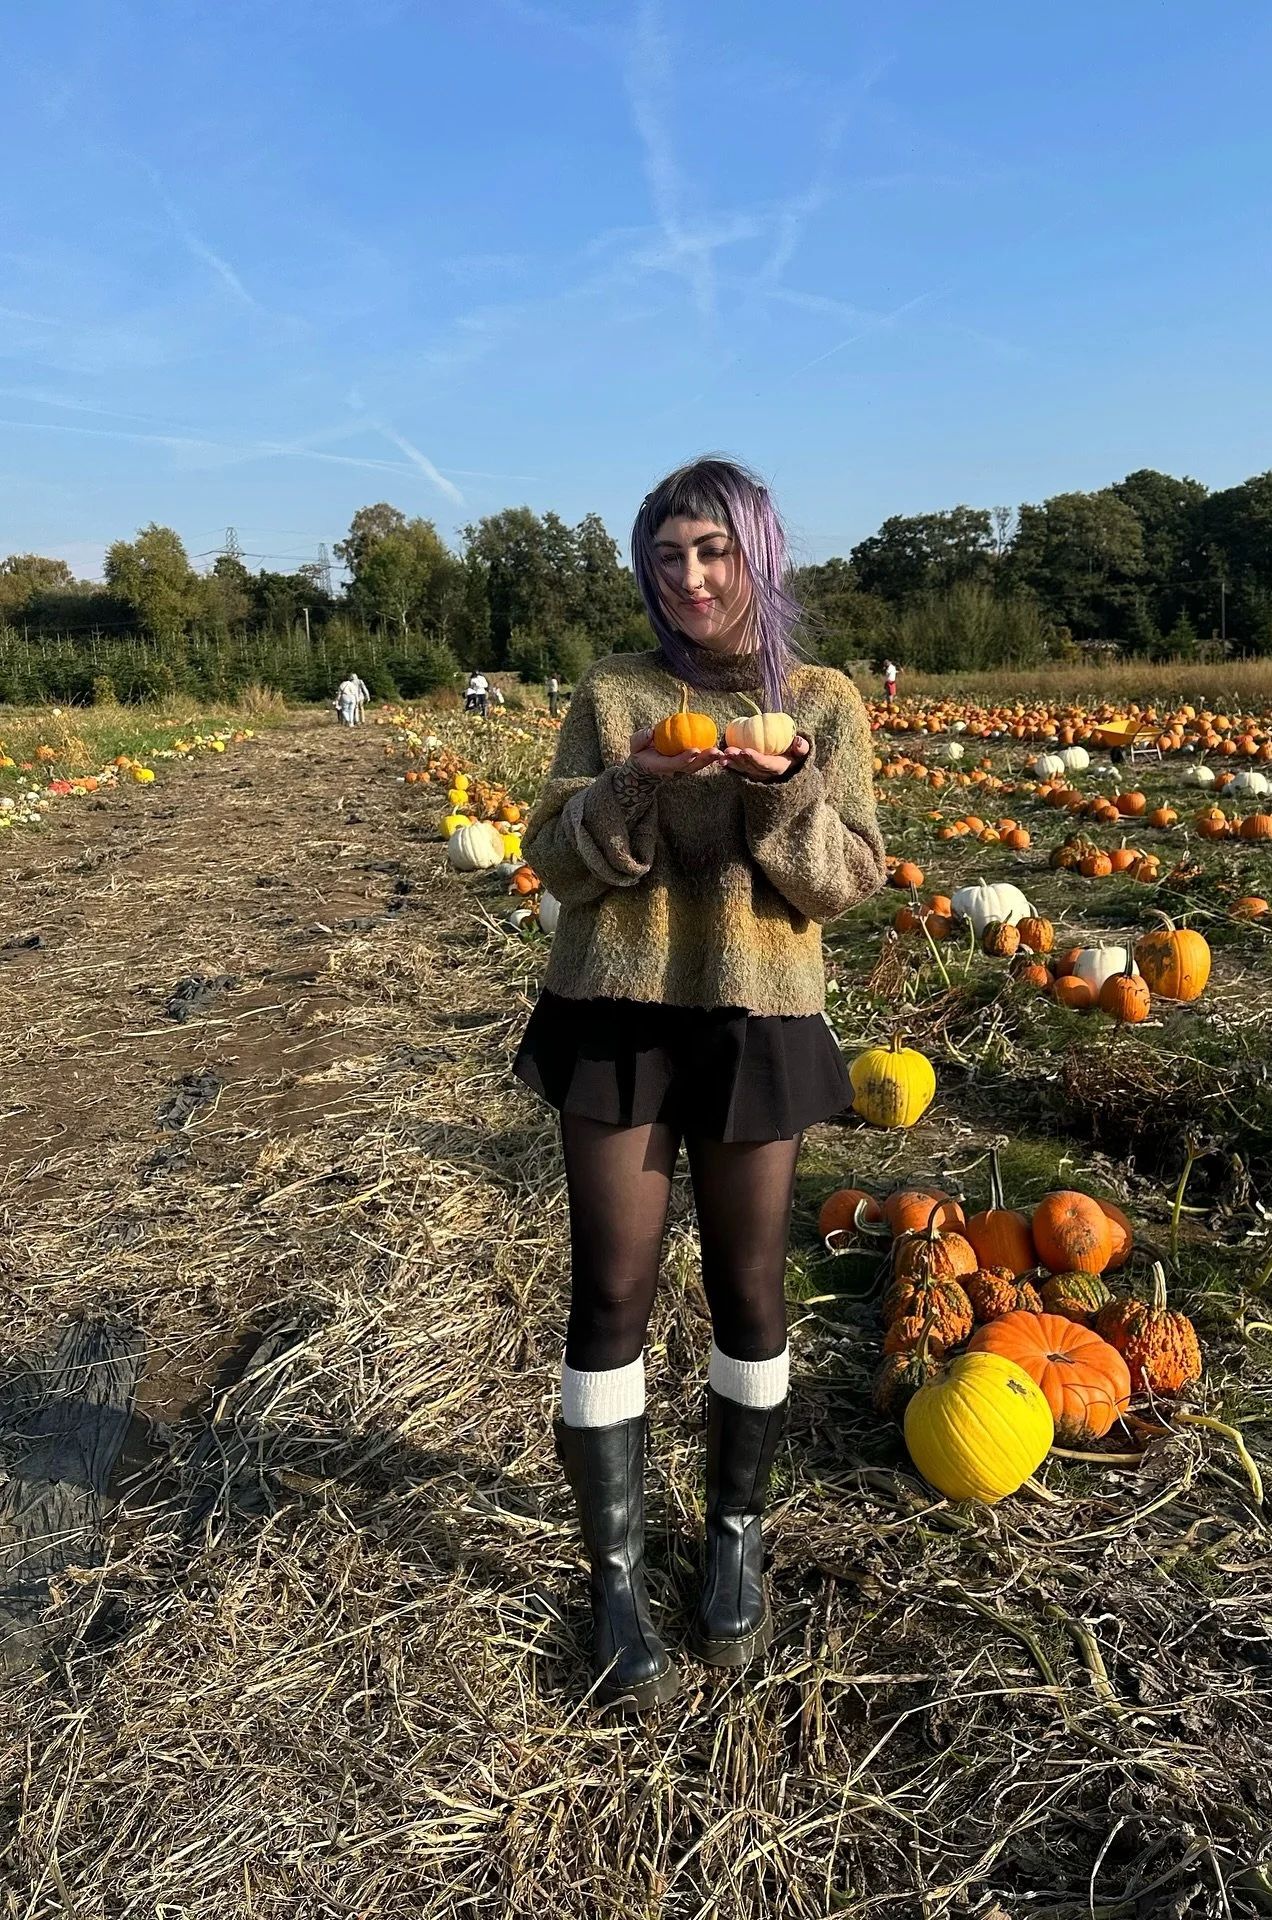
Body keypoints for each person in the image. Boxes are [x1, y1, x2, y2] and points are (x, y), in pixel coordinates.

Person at [516, 456, 885, 1712]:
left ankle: (734, 1533)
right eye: (668, 555)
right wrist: (634, 786)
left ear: (757, 556)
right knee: (612, 1285)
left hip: (755, 1014)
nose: (690, 577)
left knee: (749, 1282)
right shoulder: (615, 694)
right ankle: (613, 1575)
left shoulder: (822, 703)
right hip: (615, 1015)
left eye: (713, 552)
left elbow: (847, 881)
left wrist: (788, 802)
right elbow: (551, 856)